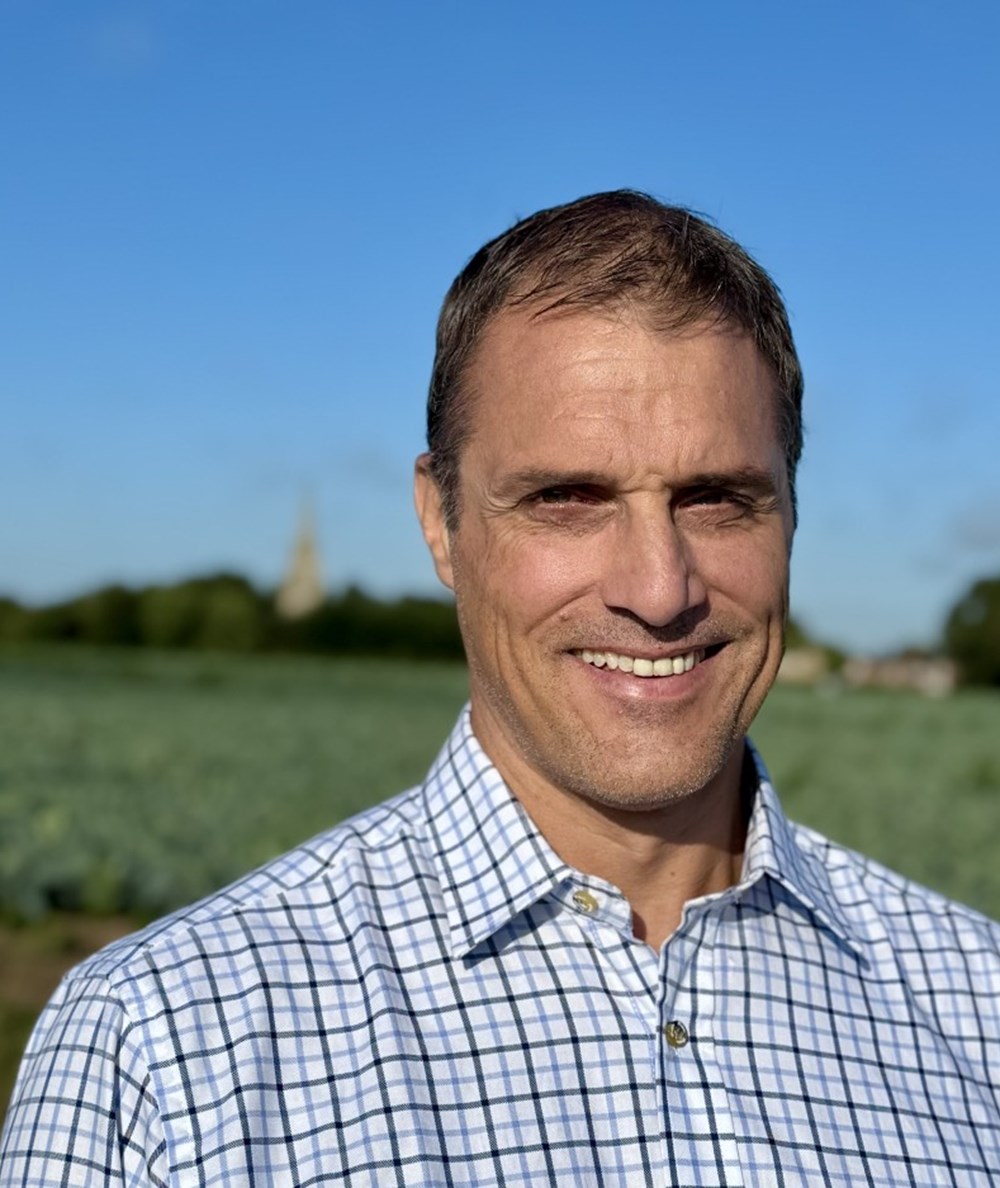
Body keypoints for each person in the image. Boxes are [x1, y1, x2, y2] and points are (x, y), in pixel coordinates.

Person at [3, 191, 999, 1186]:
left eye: (716, 499)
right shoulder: (162, 1051)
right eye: (567, 499)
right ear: (439, 521)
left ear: (789, 511)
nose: (658, 591)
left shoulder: (978, 1010)